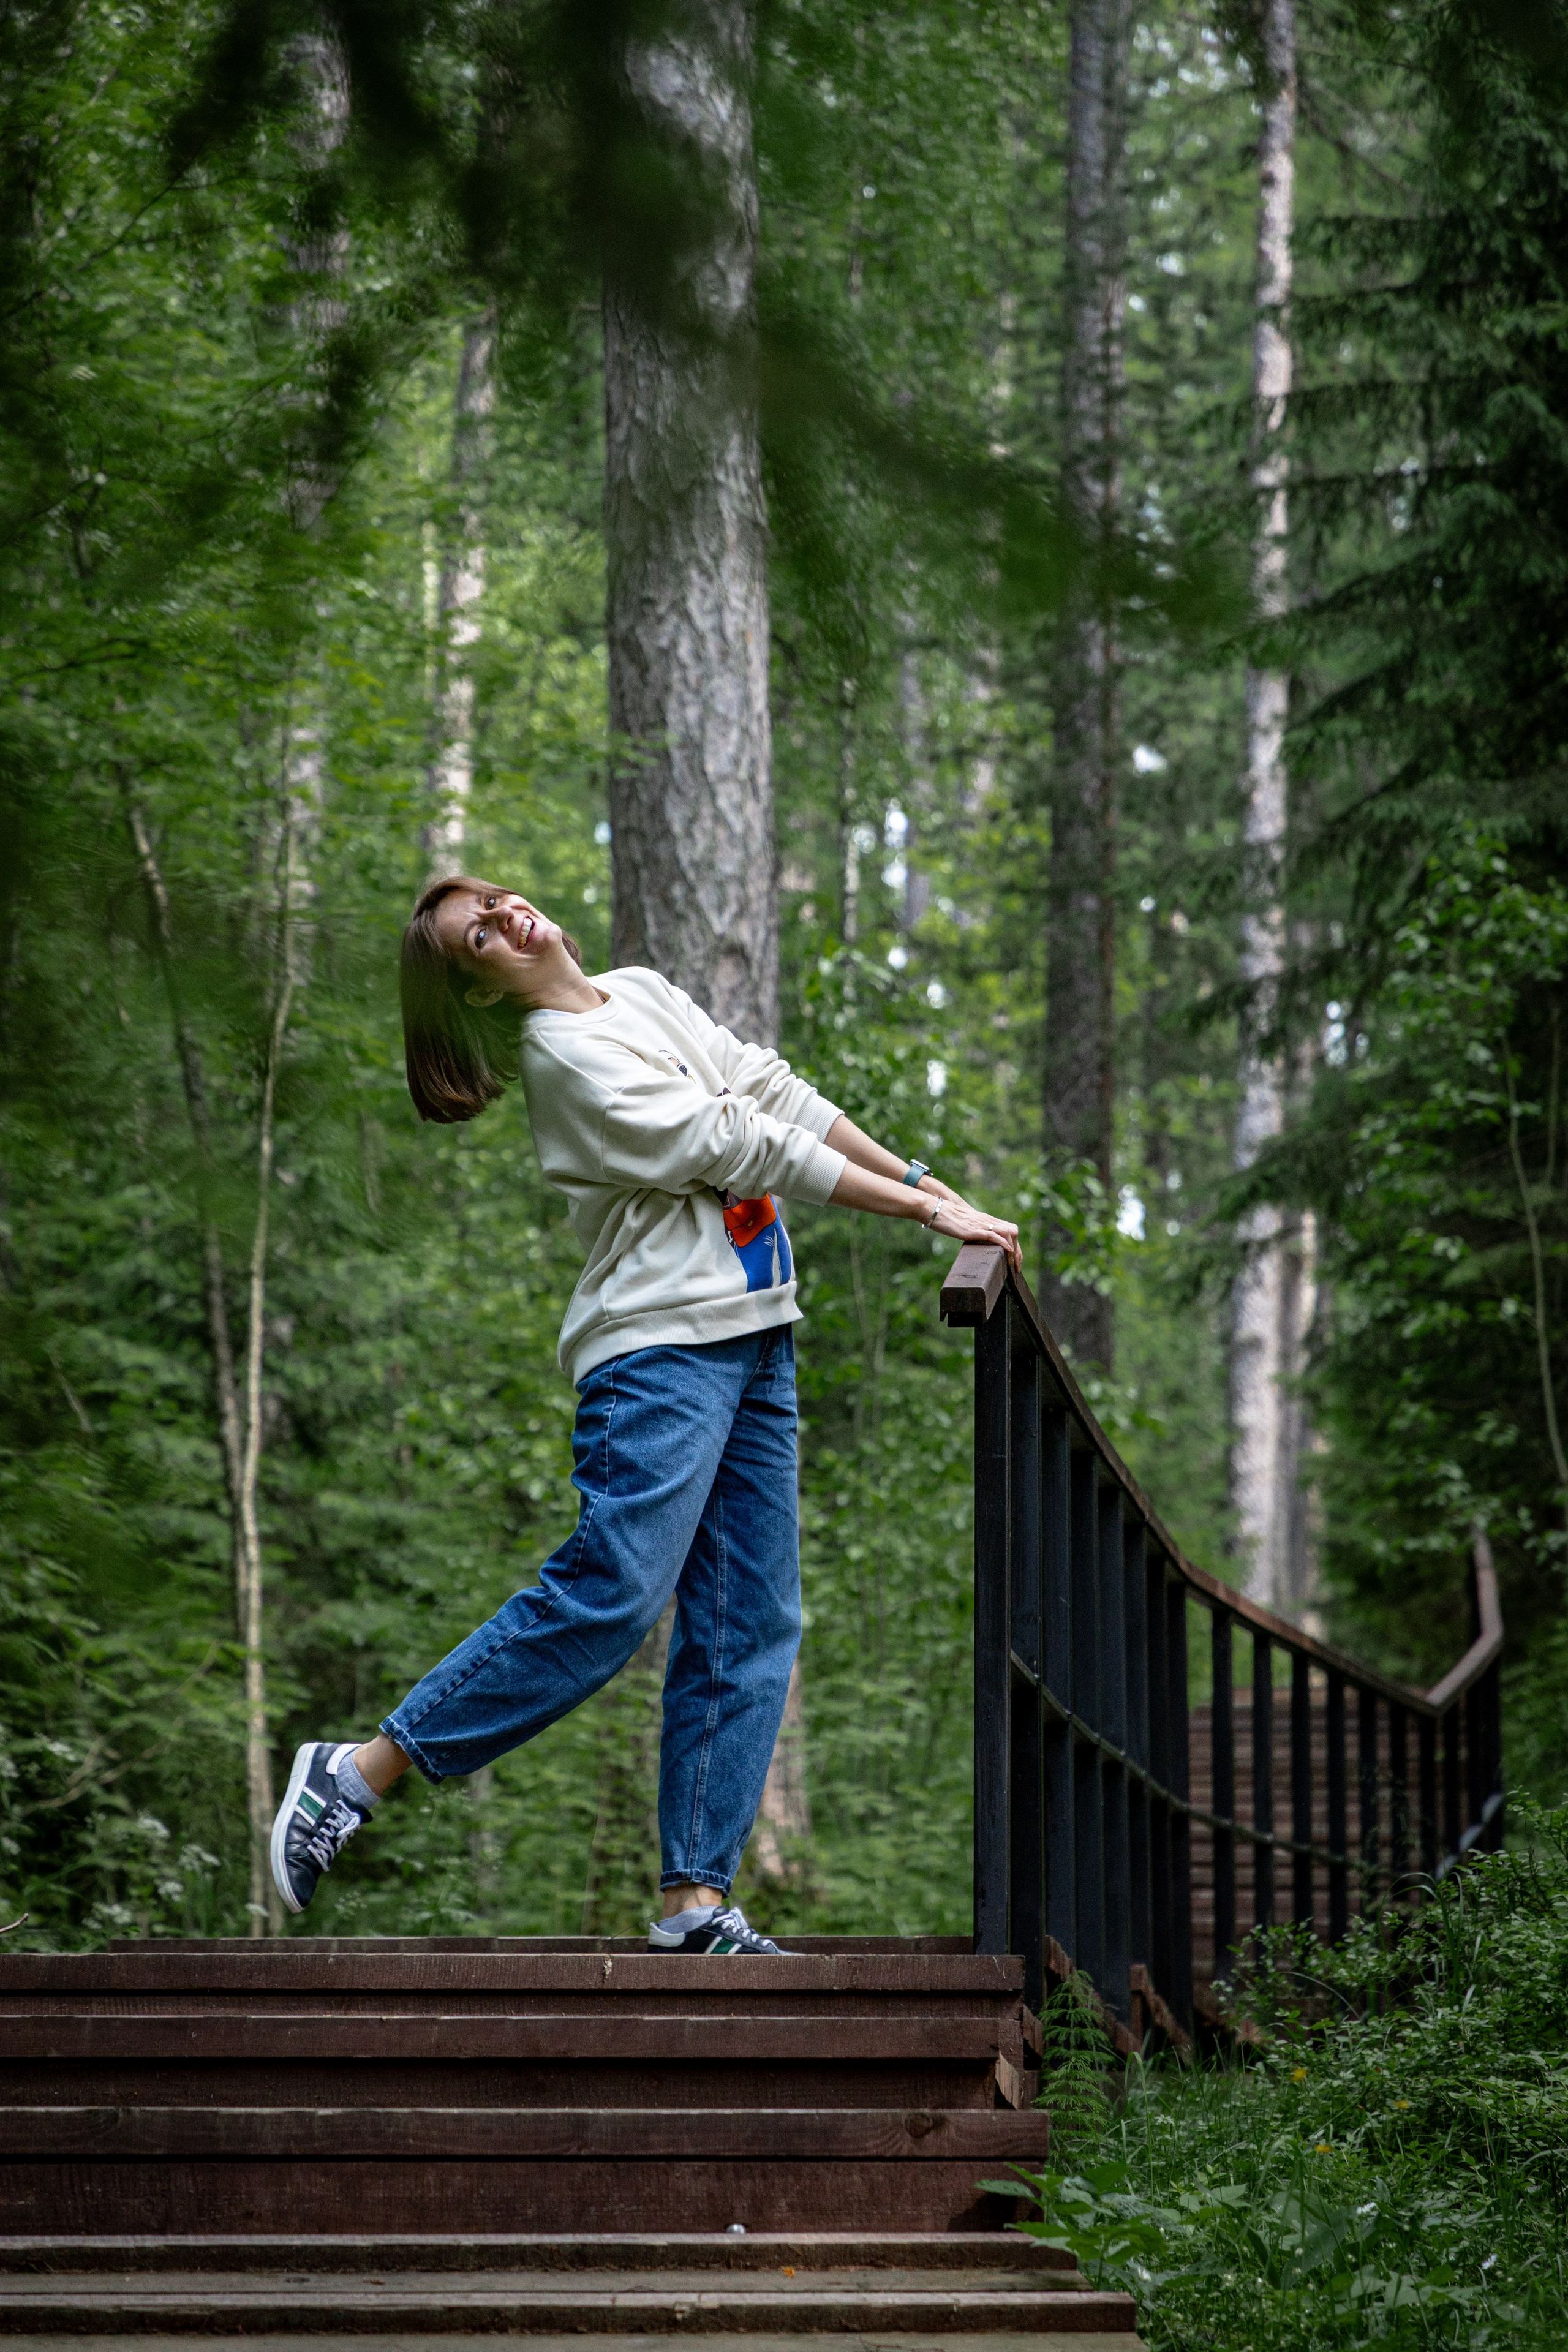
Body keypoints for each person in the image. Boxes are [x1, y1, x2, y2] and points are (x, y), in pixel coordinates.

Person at [271, 876, 1021, 1952]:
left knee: (750, 1622)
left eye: (494, 900)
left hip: (755, 1333)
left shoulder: (637, 991)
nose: (505, 918)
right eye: (478, 937)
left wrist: (921, 1176)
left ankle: (693, 1907)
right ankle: (357, 1771)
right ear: (481, 991)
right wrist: (924, 1213)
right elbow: (739, 1142)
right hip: (660, 1352)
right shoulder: (564, 1060)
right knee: (612, 1595)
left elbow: (768, 1087)